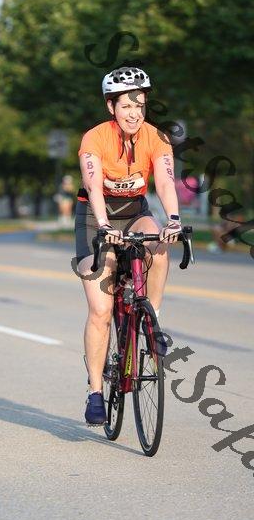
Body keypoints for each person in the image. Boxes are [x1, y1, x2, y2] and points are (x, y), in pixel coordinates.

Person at [75, 66, 181, 426]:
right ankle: (94, 391)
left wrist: (173, 219)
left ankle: (152, 321)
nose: (134, 113)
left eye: (140, 105)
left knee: (158, 244)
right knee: (101, 310)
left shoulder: (156, 138)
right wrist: (104, 227)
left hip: (135, 212)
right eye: (126, 106)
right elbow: (93, 186)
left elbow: (164, 182)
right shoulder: (95, 139)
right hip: (95, 218)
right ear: (111, 107)